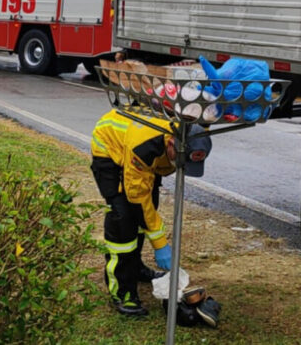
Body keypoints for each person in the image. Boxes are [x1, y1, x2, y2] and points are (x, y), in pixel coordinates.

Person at [90, 109, 212, 316]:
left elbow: (146, 204)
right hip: (112, 152)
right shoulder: (145, 147)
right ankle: (122, 292)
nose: (182, 166)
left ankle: (135, 268)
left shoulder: (193, 133)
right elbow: (137, 199)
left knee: (148, 208)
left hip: (147, 161)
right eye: (182, 159)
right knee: (124, 218)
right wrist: (160, 244)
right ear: (171, 144)